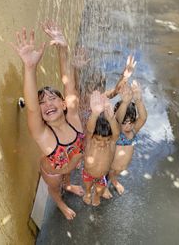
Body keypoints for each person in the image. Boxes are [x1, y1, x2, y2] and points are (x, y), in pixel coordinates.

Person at [11, 21, 85, 220]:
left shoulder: (74, 118)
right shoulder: (42, 134)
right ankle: (60, 204)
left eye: (52, 99)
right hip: (52, 172)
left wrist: (63, 48)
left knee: (67, 177)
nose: (46, 105)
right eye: (42, 102)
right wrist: (29, 67)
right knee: (55, 189)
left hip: (70, 165)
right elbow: (32, 108)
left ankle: (68, 184)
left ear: (63, 104)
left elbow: (68, 83)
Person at [108, 80, 147, 195]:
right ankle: (103, 188)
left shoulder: (133, 131)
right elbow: (118, 119)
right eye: (125, 123)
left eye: (131, 122)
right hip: (109, 166)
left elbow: (143, 118)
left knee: (114, 174)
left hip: (121, 167)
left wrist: (138, 100)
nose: (128, 126)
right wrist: (125, 103)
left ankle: (114, 181)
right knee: (105, 174)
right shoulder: (116, 132)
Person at [82, 91, 119, 206]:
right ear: (93, 138)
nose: (103, 144)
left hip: (102, 176)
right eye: (98, 140)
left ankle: (97, 196)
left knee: (99, 189)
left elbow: (116, 134)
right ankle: (88, 193)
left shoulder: (111, 144)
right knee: (87, 187)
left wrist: (112, 118)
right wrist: (95, 113)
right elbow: (89, 130)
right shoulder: (90, 142)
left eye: (107, 140)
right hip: (88, 173)